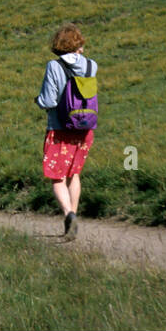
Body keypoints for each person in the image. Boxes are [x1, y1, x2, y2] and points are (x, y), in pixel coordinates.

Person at [35, 24, 98, 240]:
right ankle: (75, 214)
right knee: (74, 173)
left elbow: (49, 100)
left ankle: (68, 214)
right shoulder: (92, 66)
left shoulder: (54, 66)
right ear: (78, 44)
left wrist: (38, 101)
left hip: (59, 129)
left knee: (57, 176)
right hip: (84, 128)